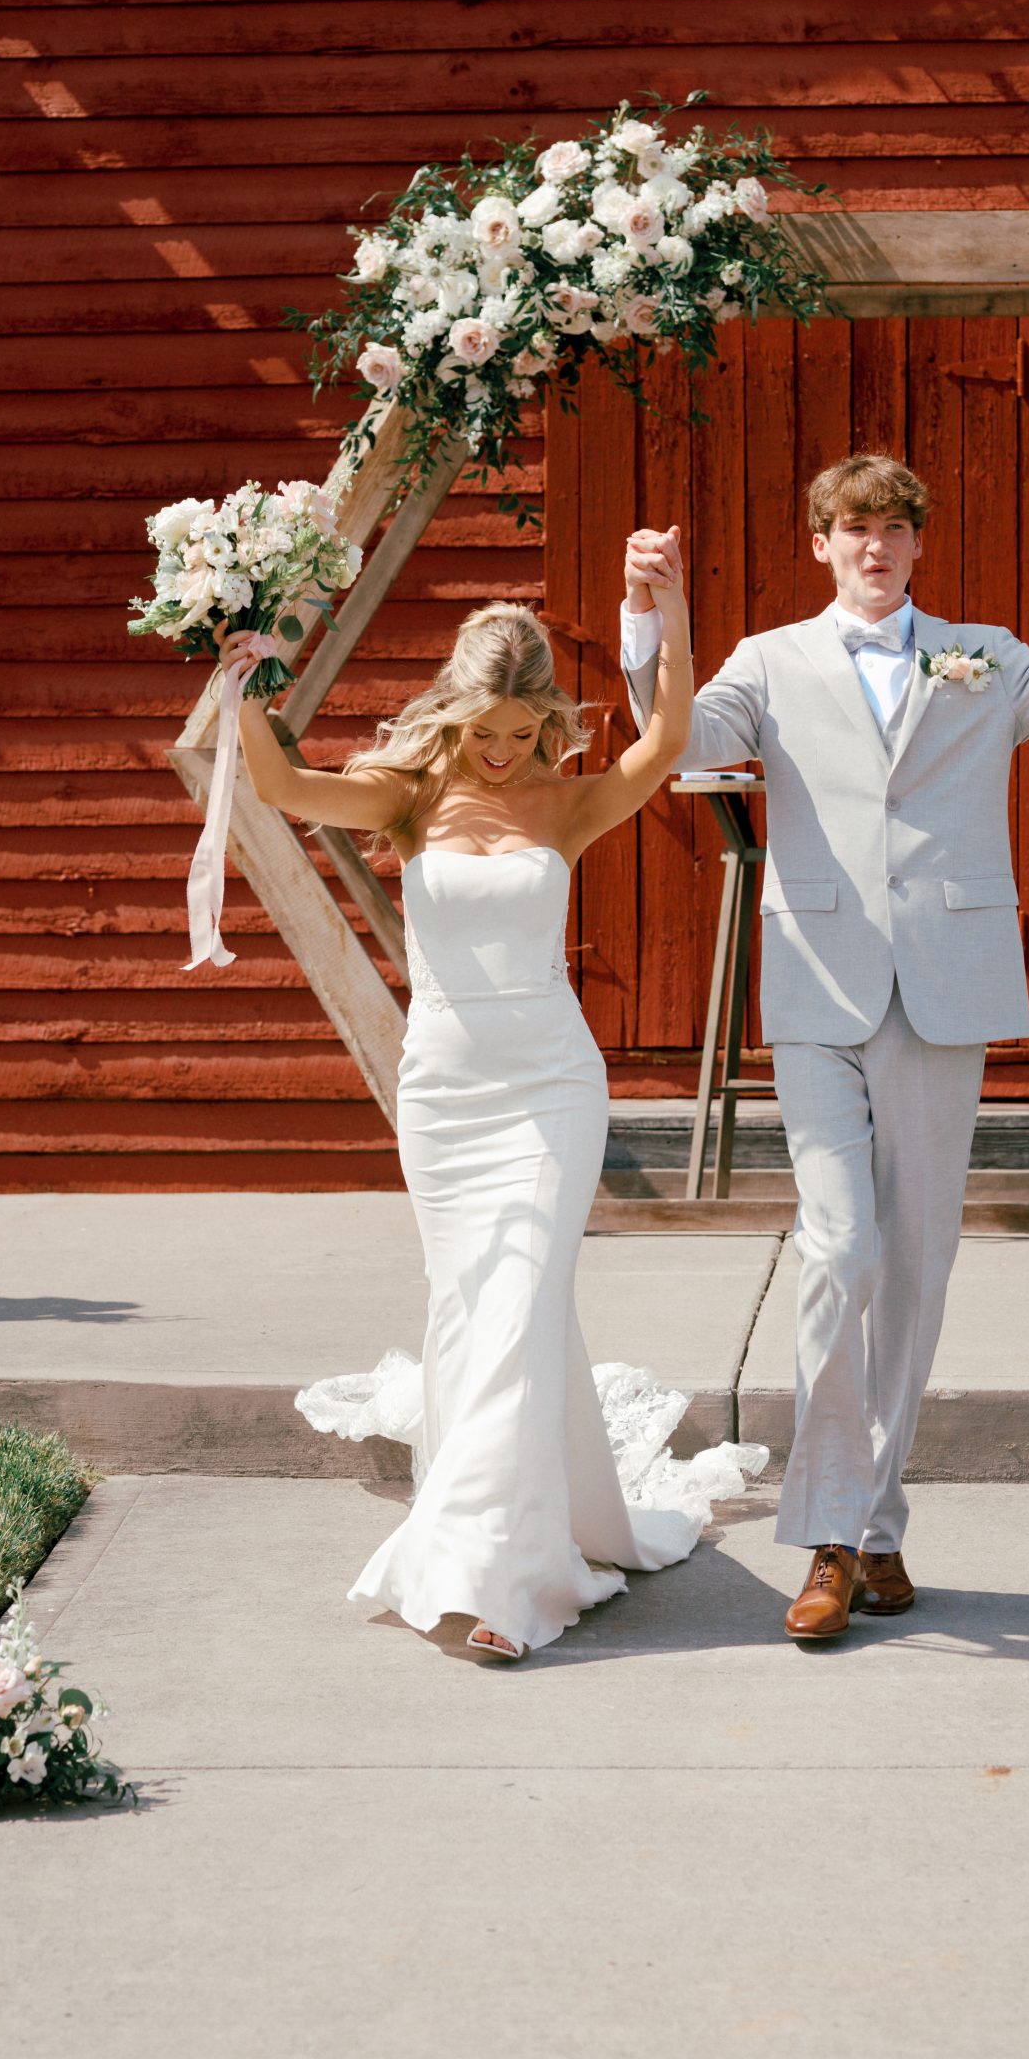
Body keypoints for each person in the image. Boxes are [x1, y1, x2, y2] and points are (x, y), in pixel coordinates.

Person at [622, 454, 1029, 1642]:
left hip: (943, 989)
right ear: (821, 543)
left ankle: (874, 1525)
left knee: (920, 1270)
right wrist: (652, 612)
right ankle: (833, 1539)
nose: (875, 546)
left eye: (894, 527)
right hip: (819, 987)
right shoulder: (769, 661)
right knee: (839, 1248)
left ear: (919, 544)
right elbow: (674, 731)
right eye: (853, 528)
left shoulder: (981, 655)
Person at [227, 583, 763, 1662]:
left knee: (518, 1298)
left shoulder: (563, 806)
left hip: (550, 1089)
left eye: (525, 732)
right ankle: (523, 1516)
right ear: (454, 713)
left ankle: (506, 1588)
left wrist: (667, 615)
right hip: (443, 1092)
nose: (509, 750)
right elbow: (281, 781)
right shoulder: (406, 795)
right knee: (477, 1308)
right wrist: (238, 677)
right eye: (488, 732)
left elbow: (663, 743)